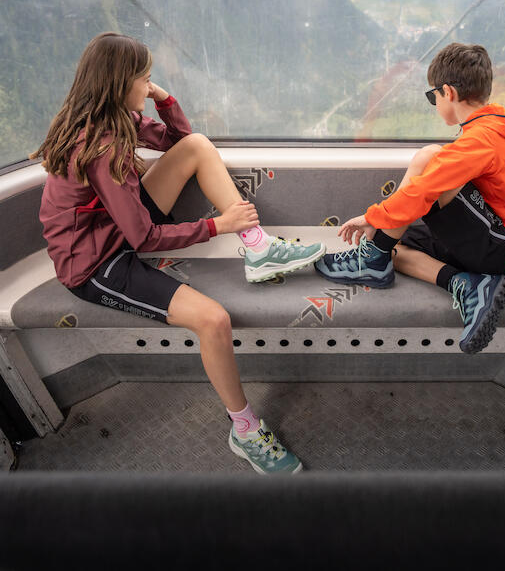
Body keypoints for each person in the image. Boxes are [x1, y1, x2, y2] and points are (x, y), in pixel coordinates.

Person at [31, 31, 326, 473]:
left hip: (115, 224)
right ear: (119, 82)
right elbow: (143, 239)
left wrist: (164, 100)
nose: (148, 86)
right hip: (96, 263)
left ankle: (258, 247)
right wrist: (218, 226)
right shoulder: (101, 147)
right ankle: (245, 431)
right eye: (144, 79)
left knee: (198, 146)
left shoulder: (116, 118)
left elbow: (180, 141)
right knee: (214, 320)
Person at [315, 43, 505, 354]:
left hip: (502, 246)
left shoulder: (479, 139)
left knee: (429, 158)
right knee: (396, 246)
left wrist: (372, 217)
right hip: (497, 243)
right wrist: (503, 181)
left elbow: (424, 190)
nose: (434, 103)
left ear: (448, 92)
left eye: (433, 96)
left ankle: (371, 257)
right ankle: (462, 283)